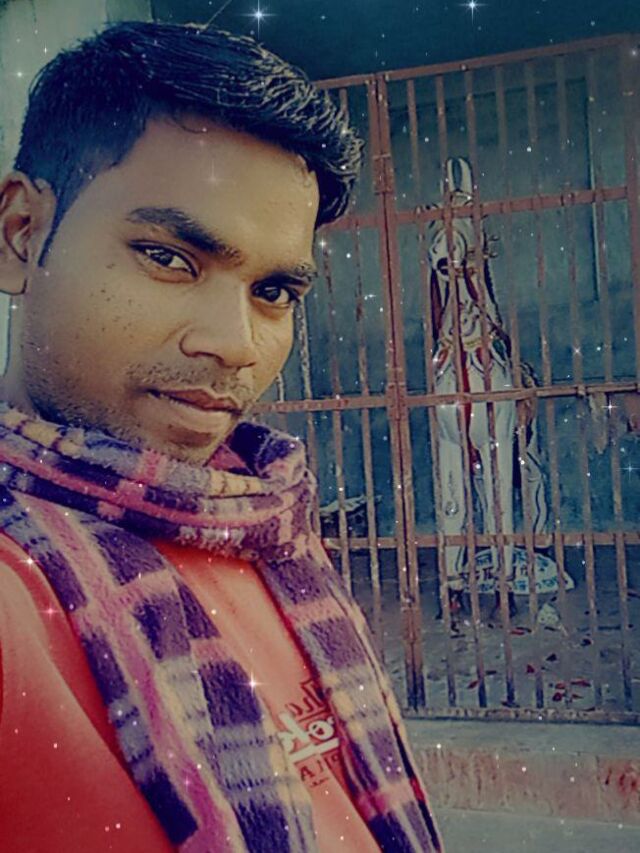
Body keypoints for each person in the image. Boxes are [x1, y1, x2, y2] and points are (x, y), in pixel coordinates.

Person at [0, 20, 442, 853]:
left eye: (273, 292)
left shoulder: (261, 523)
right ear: (22, 232)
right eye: (169, 258)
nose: (236, 344)